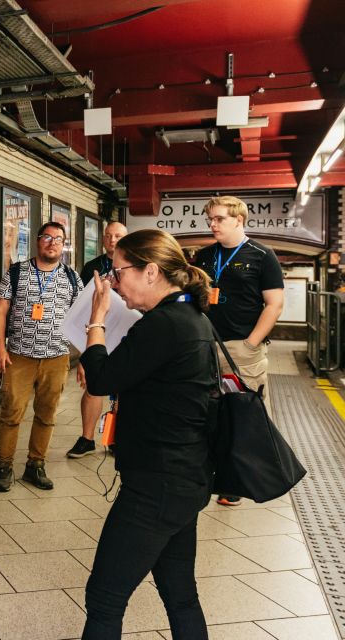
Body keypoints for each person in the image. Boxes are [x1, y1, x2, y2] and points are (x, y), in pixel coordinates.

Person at [80, 229, 216, 639]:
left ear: (151, 271)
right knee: (180, 594)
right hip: (184, 476)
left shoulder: (163, 325)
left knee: (104, 598)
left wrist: (97, 319)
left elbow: (100, 379)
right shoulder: (190, 317)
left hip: (156, 485)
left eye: (119, 273)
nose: (116, 283)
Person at [195, 196, 284, 506]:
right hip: (204, 345)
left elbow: (274, 304)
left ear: (238, 220)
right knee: (207, 411)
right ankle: (208, 471)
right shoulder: (204, 256)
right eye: (210, 219)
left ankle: (241, 479)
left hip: (241, 349)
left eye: (219, 219)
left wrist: (251, 344)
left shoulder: (262, 255)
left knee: (245, 414)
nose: (212, 224)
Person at [0, 222, 81, 492]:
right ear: (37, 241)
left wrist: (86, 356)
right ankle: (4, 467)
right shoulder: (17, 271)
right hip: (19, 355)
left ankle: (35, 465)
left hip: (57, 356)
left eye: (58, 239)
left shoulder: (71, 276)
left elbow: (83, 317)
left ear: (63, 245)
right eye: (47, 237)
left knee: (47, 413)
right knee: (11, 412)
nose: (52, 243)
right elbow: (0, 310)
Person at [70, 221, 128, 459]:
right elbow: (84, 307)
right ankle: (87, 438)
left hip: (126, 332)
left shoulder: (135, 263)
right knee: (94, 386)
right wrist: (84, 354)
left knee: (123, 388)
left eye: (117, 236)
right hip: (99, 331)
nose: (112, 240)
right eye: (108, 235)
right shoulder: (92, 266)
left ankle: (116, 438)